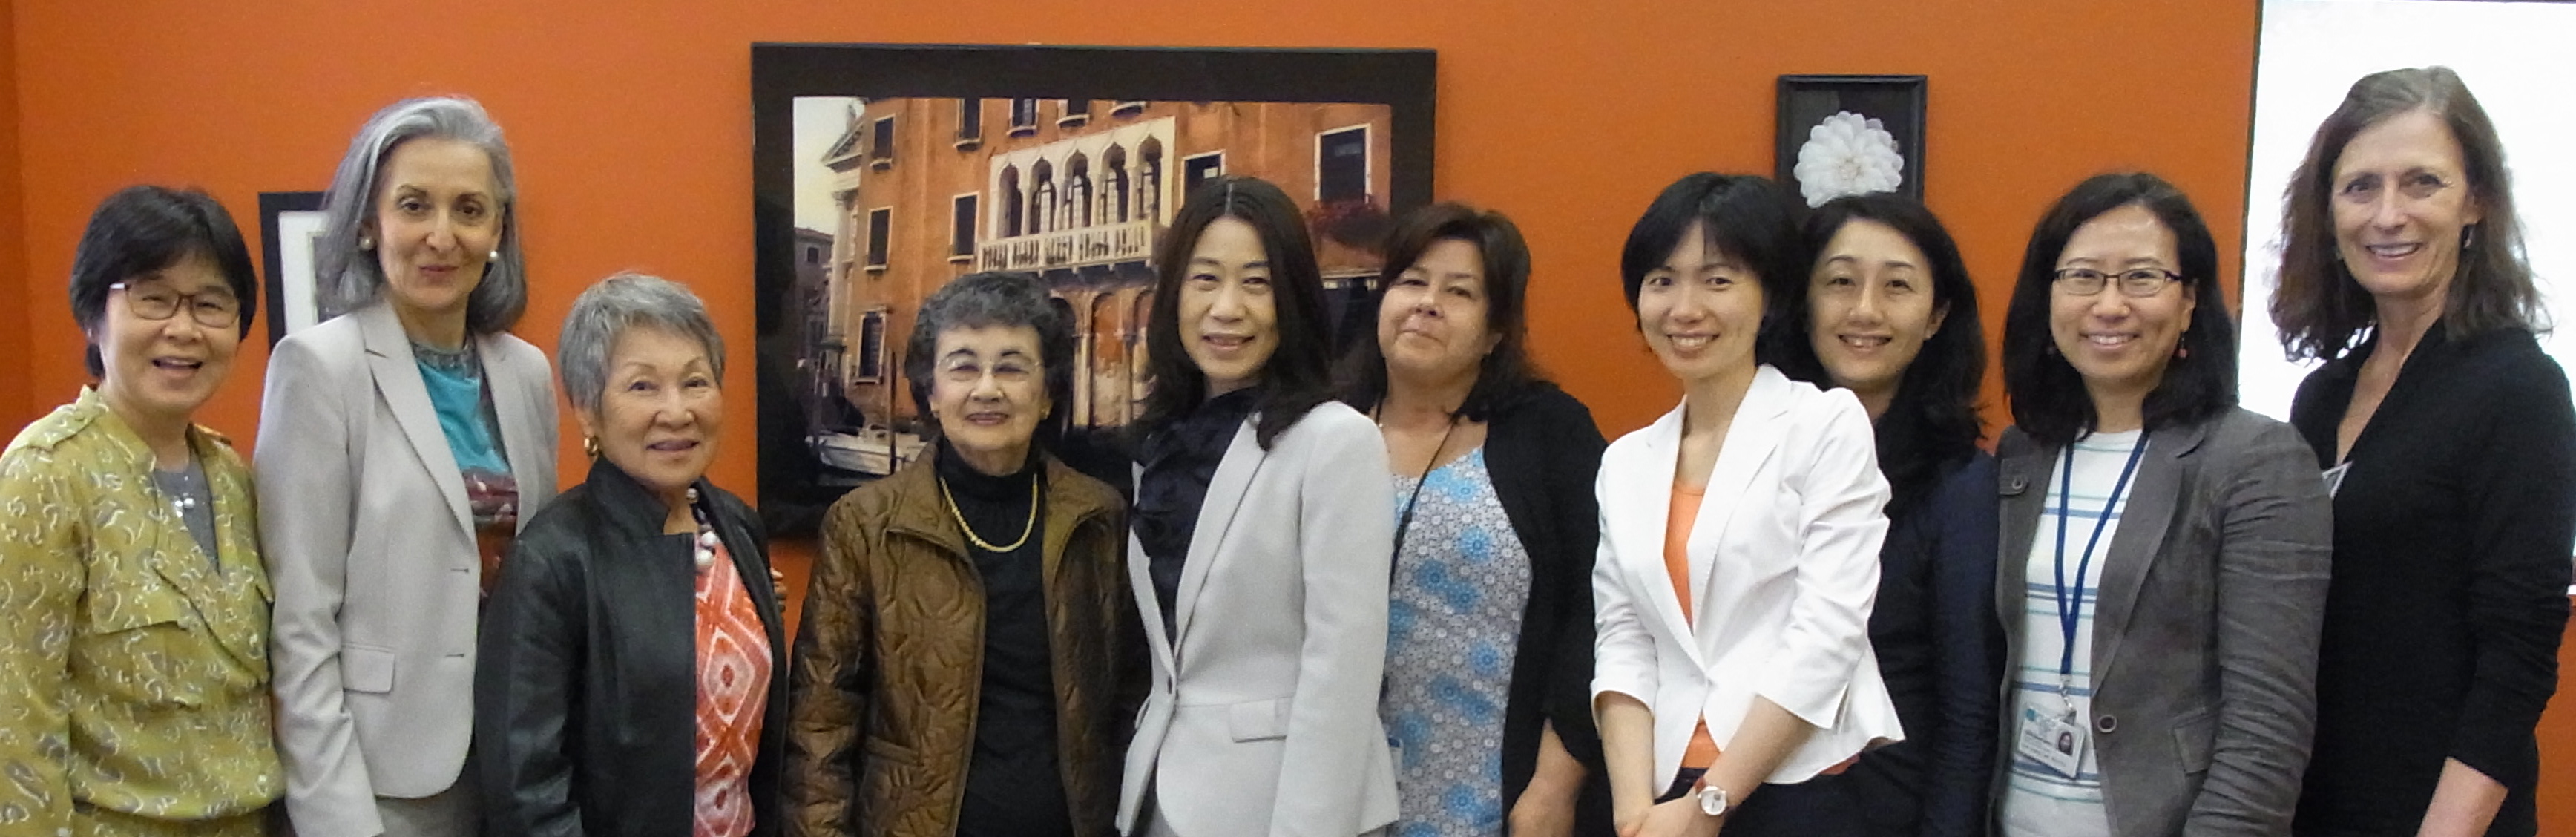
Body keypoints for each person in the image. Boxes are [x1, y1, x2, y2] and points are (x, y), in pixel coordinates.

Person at [2270, 67, 2575, 837]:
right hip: (2312, 802)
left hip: (2442, 817)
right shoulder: (2321, 398)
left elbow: (2518, 656)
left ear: (2475, 202)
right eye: (2360, 187)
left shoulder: (2517, 389)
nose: (2388, 215)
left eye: (2422, 183)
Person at [1991, 172, 2332, 837]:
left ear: (2189, 302)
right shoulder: (2021, 457)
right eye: (2083, 276)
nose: (2110, 305)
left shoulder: (2255, 461)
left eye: (2142, 278)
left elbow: (2268, 726)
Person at [260, 96, 557, 837]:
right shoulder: (318, 369)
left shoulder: (524, 372)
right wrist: (337, 818)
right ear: (369, 222)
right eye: (414, 205)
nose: (440, 236)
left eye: (469, 210)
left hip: (512, 763)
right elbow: (300, 623)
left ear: (498, 232)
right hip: (382, 780)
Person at [1590, 172, 1904, 837]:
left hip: (1794, 790)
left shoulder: (1822, 424)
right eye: (1661, 280)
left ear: (1769, 298)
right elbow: (1623, 639)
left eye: (1718, 279)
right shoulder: (1625, 461)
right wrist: (1632, 814)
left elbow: (1827, 634)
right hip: (1657, 790)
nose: (1684, 307)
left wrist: (1711, 804)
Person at [782, 272, 1137, 837]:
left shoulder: (1098, 517)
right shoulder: (866, 525)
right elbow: (821, 722)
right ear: (930, 391)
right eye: (964, 366)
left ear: (1046, 393)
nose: (987, 389)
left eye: (1013, 366)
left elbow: (1128, 697)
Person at [1115, 174, 1399, 837]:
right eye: (1205, 279)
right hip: (1159, 796)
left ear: (1294, 298)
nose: (1227, 308)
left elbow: (1343, 671)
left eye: (1257, 282)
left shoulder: (1336, 440)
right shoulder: (1159, 446)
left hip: (1279, 809)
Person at [0, 186, 279, 836]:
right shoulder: (45, 476)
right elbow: (14, 725)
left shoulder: (232, 477)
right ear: (95, 315)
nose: (183, 329)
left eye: (211, 304)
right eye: (153, 298)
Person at [476, 273, 789, 836]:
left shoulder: (736, 524)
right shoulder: (553, 558)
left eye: (695, 382)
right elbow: (528, 788)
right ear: (589, 413)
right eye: (643, 387)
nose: (676, 412)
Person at [1337, 203, 1611, 837]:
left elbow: (1599, 614)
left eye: (1459, 292)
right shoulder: (1326, 427)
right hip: (1339, 793)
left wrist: (1553, 785)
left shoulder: (1548, 431)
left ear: (1495, 332)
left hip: (1496, 797)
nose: (1427, 303)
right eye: (1411, 281)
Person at [1779, 192, 2000, 837]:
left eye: (1897, 286)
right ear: (1803, 301)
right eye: (1840, 282)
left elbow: (1967, 715)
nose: (1865, 310)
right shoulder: (1748, 459)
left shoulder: (1961, 487)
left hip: (1882, 811)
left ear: (1936, 317)